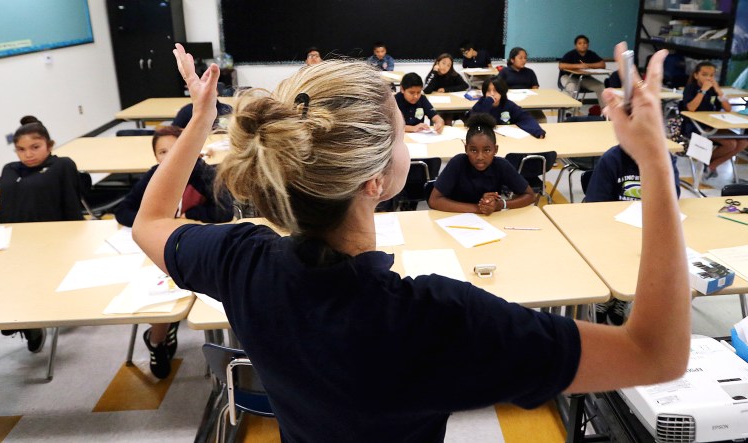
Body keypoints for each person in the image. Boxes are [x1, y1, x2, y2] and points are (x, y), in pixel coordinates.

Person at [132, 42, 689, 442]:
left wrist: (202, 119)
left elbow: (149, 222)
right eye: (402, 127)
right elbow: (656, 354)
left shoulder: (243, 262)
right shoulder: (438, 320)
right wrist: (656, 164)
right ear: (375, 182)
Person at [115, 125, 233, 378]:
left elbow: (224, 212)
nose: (169, 158)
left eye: (177, 149)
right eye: (162, 152)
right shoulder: (154, 176)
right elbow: (123, 210)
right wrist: (153, 219)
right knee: (161, 294)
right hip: (160, 243)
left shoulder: (203, 173)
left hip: (195, 241)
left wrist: (190, 214)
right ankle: (157, 341)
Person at [0, 116, 85, 352]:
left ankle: (35, 319)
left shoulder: (62, 165)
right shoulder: (9, 170)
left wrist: (76, 240)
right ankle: (28, 323)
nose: (28, 154)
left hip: (53, 240)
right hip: (19, 241)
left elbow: (71, 203)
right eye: (21, 149)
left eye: (35, 147)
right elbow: (5, 211)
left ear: (50, 144)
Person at [585, 144, 682, 325]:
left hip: (647, 226)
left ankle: (621, 300)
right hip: (613, 226)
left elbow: (673, 196)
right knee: (616, 255)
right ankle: (604, 300)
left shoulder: (664, 158)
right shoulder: (612, 159)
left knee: (648, 257)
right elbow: (595, 202)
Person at [428, 113, 536, 214]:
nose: (480, 157)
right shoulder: (458, 163)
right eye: (473, 150)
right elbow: (434, 200)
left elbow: (530, 195)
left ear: (495, 149)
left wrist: (500, 205)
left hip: (489, 223)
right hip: (455, 219)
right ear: (466, 149)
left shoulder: (501, 165)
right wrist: (478, 208)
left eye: (487, 150)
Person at [680, 61, 748, 179]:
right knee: (730, 144)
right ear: (696, 75)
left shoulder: (713, 90)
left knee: (743, 142)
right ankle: (707, 165)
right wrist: (703, 91)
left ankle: (710, 165)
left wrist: (719, 91)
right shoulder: (691, 88)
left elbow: (728, 108)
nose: (708, 78)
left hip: (713, 125)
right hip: (695, 126)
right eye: (704, 75)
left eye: (711, 75)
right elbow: (691, 108)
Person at [471, 77, 546, 138]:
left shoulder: (508, 105)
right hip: (485, 139)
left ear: (502, 92)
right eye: (488, 91)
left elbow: (525, 118)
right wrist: (486, 104)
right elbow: (473, 121)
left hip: (505, 138)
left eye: (496, 91)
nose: (492, 94)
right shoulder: (481, 104)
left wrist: (537, 131)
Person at [558, 35, 607, 108]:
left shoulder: (591, 54)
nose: (583, 45)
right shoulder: (571, 54)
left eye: (585, 43)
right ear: (576, 45)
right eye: (580, 43)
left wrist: (588, 65)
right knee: (572, 87)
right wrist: (578, 66)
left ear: (588, 45)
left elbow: (602, 64)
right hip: (568, 77)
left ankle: (605, 113)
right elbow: (561, 66)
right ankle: (568, 111)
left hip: (585, 78)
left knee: (601, 87)